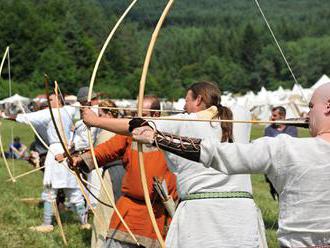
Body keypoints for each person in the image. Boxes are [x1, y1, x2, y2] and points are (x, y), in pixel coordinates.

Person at [132, 83, 330, 248]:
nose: (307, 114)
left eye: (311, 107)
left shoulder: (285, 148)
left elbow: (220, 154)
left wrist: (158, 138)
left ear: (328, 106)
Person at [77, 82, 266, 247]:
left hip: (203, 215)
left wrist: (95, 121)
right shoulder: (238, 118)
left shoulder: (182, 122)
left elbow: (135, 125)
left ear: (198, 100)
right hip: (241, 214)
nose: (184, 106)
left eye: (187, 100)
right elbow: (233, 109)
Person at [72, 96, 177, 248]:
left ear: (156, 115)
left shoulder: (172, 135)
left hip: (158, 214)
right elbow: (107, 150)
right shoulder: (131, 134)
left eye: (144, 114)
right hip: (128, 211)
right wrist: (80, 159)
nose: (138, 118)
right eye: (136, 114)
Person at [29, 93, 89, 233]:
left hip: (61, 153)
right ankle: (82, 222)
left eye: (51, 99)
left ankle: (50, 223)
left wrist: (9, 116)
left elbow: (30, 118)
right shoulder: (67, 111)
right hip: (63, 152)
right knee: (66, 191)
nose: (48, 101)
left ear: (59, 101)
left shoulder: (62, 112)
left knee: (66, 190)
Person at [264, 106, 298, 200]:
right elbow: (267, 146)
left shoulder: (292, 129)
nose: (272, 118)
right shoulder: (268, 130)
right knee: (276, 190)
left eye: (275, 115)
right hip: (273, 164)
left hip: (287, 164)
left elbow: (292, 146)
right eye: (272, 115)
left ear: (282, 116)